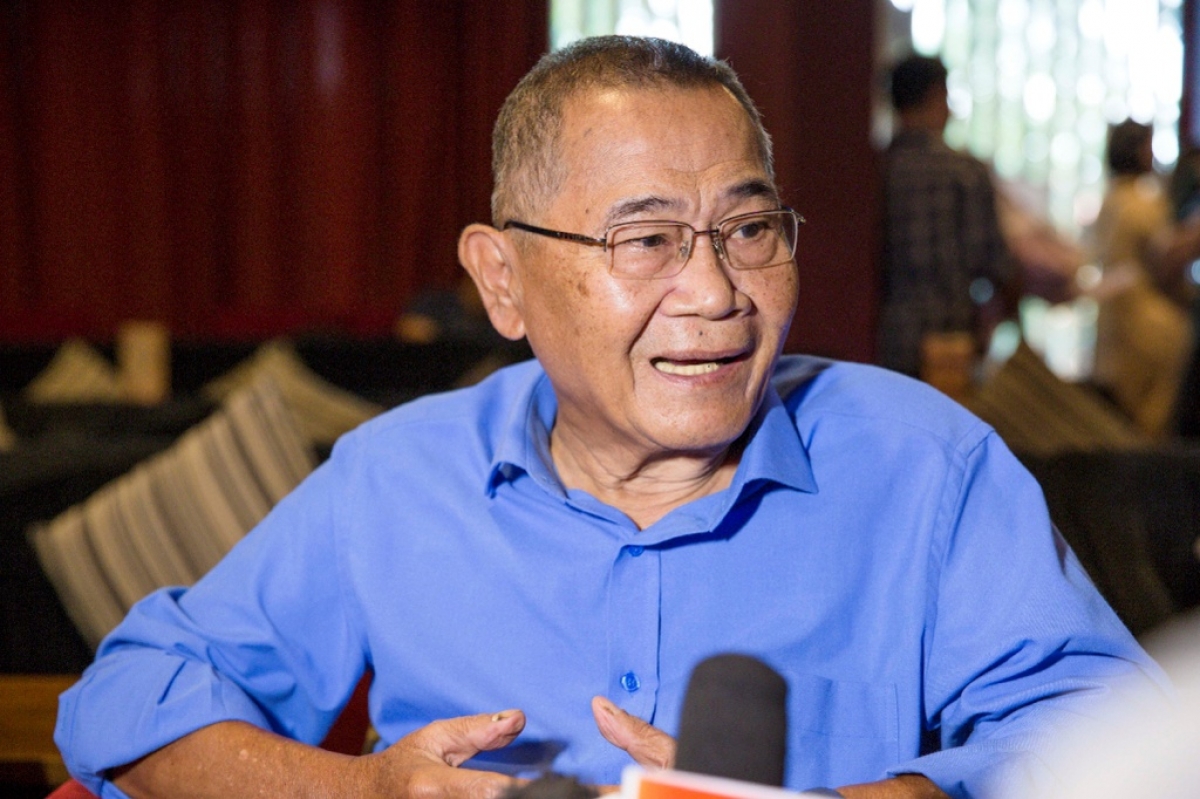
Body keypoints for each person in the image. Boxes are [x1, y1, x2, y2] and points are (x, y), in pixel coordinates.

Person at [56, 36, 1167, 799]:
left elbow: (1124, 741)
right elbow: (127, 698)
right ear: (502, 281)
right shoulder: (398, 476)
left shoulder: (924, 462)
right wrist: (356, 788)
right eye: (647, 241)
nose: (717, 293)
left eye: (750, 230)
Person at [878, 55, 1016, 381]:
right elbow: (994, 262)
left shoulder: (877, 169)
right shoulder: (964, 171)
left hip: (887, 341)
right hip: (951, 340)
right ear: (937, 95)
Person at [1088, 120, 1193, 437]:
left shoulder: (1111, 200)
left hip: (1114, 320)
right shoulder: (1142, 205)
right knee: (1149, 425)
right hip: (1149, 325)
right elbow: (1166, 259)